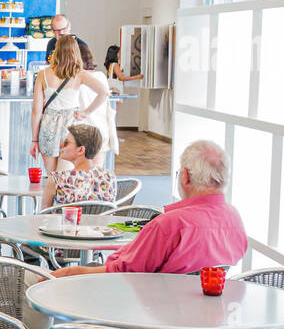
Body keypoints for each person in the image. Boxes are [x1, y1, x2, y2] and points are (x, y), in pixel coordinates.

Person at [53, 140, 247, 277]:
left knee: (33, 281)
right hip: (199, 318)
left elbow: (123, 273)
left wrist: (71, 272)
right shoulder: (234, 219)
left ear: (185, 176)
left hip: (145, 313)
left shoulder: (170, 225)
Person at [30, 35, 109, 178]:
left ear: (56, 51)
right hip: (70, 129)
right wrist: (86, 112)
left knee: (52, 179)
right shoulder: (79, 74)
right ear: (75, 52)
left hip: (48, 126)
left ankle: (50, 200)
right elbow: (104, 92)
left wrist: (34, 140)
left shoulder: (43, 75)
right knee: (65, 178)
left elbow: (36, 111)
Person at [41, 124, 117, 210]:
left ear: (81, 150)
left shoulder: (57, 179)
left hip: (66, 223)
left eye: (66, 142)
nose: (61, 144)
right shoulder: (110, 177)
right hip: (100, 223)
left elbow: (44, 216)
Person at [79, 41, 118, 169]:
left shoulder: (76, 78)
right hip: (100, 130)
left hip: (81, 131)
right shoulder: (100, 76)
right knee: (96, 172)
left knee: (80, 173)